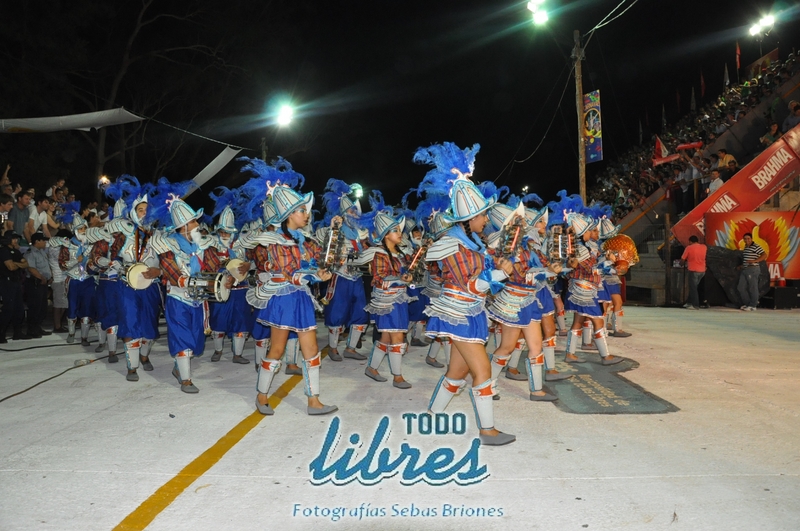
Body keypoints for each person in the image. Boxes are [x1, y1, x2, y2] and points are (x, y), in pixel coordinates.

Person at [416, 142, 516, 446]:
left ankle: (432, 415)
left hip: (471, 311)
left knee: (457, 372)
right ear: (470, 219)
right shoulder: (453, 245)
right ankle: (487, 431)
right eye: (483, 215)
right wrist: (501, 273)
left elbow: (481, 281)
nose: (486, 219)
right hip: (457, 312)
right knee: (482, 370)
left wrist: (499, 266)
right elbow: (471, 285)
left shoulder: (473, 243)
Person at [253, 184, 338, 416]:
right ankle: (261, 395)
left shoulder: (305, 240)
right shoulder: (276, 241)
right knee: (277, 349)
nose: (306, 214)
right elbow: (290, 272)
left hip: (301, 297)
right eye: (302, 210)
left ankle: (314, 400)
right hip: (283, 299)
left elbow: (318, 261)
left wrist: (323, 266)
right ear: (289, 214)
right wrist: (314, 275)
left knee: (311, 349)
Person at [149, 195, 226, 393]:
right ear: (183, 226)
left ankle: (179, 368)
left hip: (199, 300)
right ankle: (186, 380)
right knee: (182, 338)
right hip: (177, 298)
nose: (197, 225)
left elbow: (214, 266)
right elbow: (168, 268)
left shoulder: (203, 244)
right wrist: (184, 280)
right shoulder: (168, 245)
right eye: (193, 222)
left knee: (196, 342)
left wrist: (224, 276)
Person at [320, 179, 371, 362]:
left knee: (360, 312)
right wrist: (334, 229)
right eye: (350, 211)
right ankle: (333, 348)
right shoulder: (335, 230)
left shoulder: (360, 233)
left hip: (357, 277)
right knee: (337, 312)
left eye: (355, 211)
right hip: (340, 277)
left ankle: (351, 348)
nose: (354, 214)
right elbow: (326, 250)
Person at [363, 209, 414, 389]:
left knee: (386, 336)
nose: (400, 233)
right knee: (397, 336)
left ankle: (371, 368)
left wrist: (408, 277)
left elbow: (405, 275)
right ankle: (397, 376)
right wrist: (400, 279)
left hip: (399, 299)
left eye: (400, 230)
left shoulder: (401, 255)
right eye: (396, 231)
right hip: (386, 301)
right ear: (385, 235)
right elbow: (379, 278)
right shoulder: (379, 254)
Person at [0, 233, 30, 342]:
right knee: (8, 308)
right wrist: (18, 264)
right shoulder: (4, 251)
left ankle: (17, 332)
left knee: (19, 308)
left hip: (16, 281)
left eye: (16, 238)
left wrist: (16, 264)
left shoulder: (16, 252)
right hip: (6, 281)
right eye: (13, 238)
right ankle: (1, 333)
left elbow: (26, 264)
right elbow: (11, 267)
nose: (16, 241)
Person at [24, 233, 53, 337]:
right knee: (35, 307)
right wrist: (41, 277)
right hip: (35, 283)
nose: (45, 243)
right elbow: (31, 268)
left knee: (42, 307)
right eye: (43, 240)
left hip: (43, 283)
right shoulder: (30, 253)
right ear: (37, 241)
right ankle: (32, 329)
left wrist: (50, 277)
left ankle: (37, 327)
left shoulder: (41, 252)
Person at [737, 233, 766, 311]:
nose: (747, 240)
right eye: (745, 239)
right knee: (740, 287)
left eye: (748, 238)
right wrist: (742, 266)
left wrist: (755, 261)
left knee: (752, 288)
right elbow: (747, 259)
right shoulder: (746, 247)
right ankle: (748, 304)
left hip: (752, 269)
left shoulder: (756, 246)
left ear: (752, 239)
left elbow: (764, 255)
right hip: (745, 269)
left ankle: (753, 305)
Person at [680, 235, 707, 310]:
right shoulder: (704, 247)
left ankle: (695, 305)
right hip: (702, 270)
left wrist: (681, 264)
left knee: (693, 288)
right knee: (694, 287)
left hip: (693, 270)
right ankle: (689, 302)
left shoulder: (689, 248)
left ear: (690, 241)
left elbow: (682, 259)